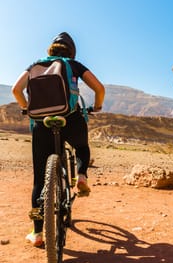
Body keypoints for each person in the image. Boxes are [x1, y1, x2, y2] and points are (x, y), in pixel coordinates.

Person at [12, 32, 105, 247]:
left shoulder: (35, 65)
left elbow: (16, 90)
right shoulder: (73, 64)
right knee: (81, 147)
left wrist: (27, 109)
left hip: (42, 123)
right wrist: (97, 106)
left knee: (39, 180)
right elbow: (99, 88)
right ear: (71, 51)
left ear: (50, 49)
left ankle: (37, 233)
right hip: (71, 119)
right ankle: (81, 176)